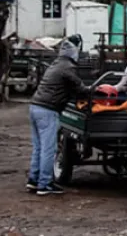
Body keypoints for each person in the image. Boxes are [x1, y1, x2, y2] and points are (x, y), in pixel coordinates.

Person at [28, 36, 91, 195]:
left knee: (39, 147)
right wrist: (94, 90)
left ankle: (33, 180)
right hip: (47, 110)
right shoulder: (67, 67)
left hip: (35, 106)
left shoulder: (56, 63)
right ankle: (45, 184)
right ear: (74, 52)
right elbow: (80, 88)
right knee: (49, 149)